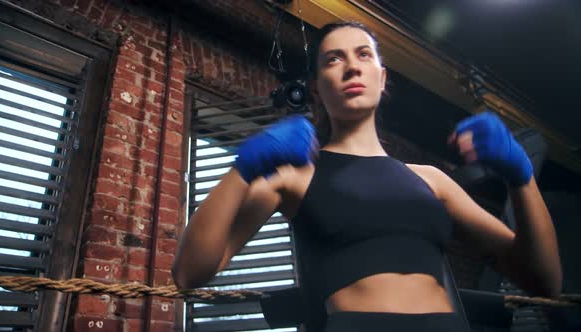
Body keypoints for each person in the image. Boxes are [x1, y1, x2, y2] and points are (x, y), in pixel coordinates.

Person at [172, 21, 562, 331]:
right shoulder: (294, 177)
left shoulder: (432, 180)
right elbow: (189, 272)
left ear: (382, 76)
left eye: (363, 55)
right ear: (316, 88)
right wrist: (242, 170)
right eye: (333, 59)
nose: (352, 66)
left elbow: (544, 282)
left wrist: (521, 178)